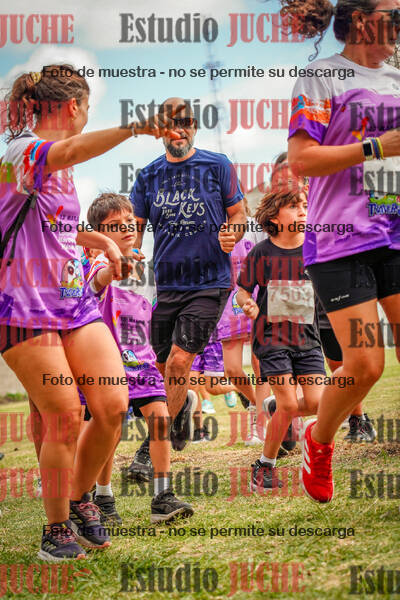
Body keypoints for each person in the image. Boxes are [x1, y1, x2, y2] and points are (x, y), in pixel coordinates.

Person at [0, 64, 182, 559]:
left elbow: (59, 227)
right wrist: (136, 127)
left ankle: (80, 498)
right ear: (73, 106)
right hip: (24, 304)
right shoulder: (22, 152)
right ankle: (55, 530)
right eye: (87, 108)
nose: (86, 117)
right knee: (63, 413)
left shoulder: (61, 168)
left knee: (113, 405)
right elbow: (67, 150)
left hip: (73, 301)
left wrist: (101, 240)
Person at [284, 0, 400, 502]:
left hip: (395, 230)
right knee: (366, 365)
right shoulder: (321, 77)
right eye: (394, 14)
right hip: (340, 240)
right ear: (361, 21)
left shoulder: (397, 79)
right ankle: (320, 439)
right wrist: (375, 147)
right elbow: (302, 160)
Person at [130, 97, 247, 451]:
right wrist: (130, 252)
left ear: (195, 126)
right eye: (171, 124)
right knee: (163, 365)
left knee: (181, 361)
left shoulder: (218, 165)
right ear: (160, 131)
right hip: (167, 285)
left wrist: (233, 233)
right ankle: (181, 410)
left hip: (210, 282)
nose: (179, 130)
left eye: (186, 123)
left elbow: (239, 213)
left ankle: (151, 448)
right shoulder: (147, 176)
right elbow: (135, 228)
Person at [85, 193, 194, 523]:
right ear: (100, 235)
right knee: (110, 428)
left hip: (142, 361)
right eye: (115, 225)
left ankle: (162, 496)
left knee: (160, 418)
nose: (126, 228)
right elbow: (99, 281)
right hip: (106, 362)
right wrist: (113, 267)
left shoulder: (147, 270)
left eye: (129, 222)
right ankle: (103, 495)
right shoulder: (97, 264)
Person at [237, 186, 325, 491]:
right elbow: (242, 291)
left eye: (305, 205)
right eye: (293, 206)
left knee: (316, 402)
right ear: (274, 217)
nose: (302, 211)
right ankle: (265, 466)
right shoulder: (262, 252)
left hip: (308, 339)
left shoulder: (315, 246)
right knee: (289, 405)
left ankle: (278, 408)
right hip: (272, 338)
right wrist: (247, 304)